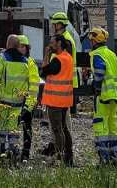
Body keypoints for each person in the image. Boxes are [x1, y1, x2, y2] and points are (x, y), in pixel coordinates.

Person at [0, 34, 38, 162]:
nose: (22, 49)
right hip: (18, 105)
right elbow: (32, 86)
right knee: (13, 132)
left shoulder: (3, 58)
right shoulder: (26, 63)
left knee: (1, 131)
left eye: (24, 46)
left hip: (3, 103)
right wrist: (28, 105)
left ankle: (2, 156)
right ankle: (13, 157)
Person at [88, 27, 117, 165]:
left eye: (91, 40)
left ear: (95, 41)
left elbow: (100, 71)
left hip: (102, 96)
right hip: (114, 96)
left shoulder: (97, 54)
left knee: (101, 127)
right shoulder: (111, 54)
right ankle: (115, 157)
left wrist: (94, 84)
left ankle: (104, 158)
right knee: (112, 127)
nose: (90, 43)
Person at [41, 34, 74, 166]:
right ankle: (69, 156)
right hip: (65, 100)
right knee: (64, 128)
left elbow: (44, 70)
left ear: (59, 43)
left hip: (55, 100)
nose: (50, 45)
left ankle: (59, 157)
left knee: (57, 129)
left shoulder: (58, 60)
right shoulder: (68, 58)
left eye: (52, 43)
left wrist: (46, 54)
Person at [17, 34, 40, 160]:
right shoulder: (10, 61)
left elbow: (34, 86)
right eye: (18, 46)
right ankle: (12, 152)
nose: (21, 49)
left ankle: (25, 153)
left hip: (26, 100)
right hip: (13, 100)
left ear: (27, 48)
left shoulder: (30, 63)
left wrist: (29, 105)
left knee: (26, 127)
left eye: (23, 47)